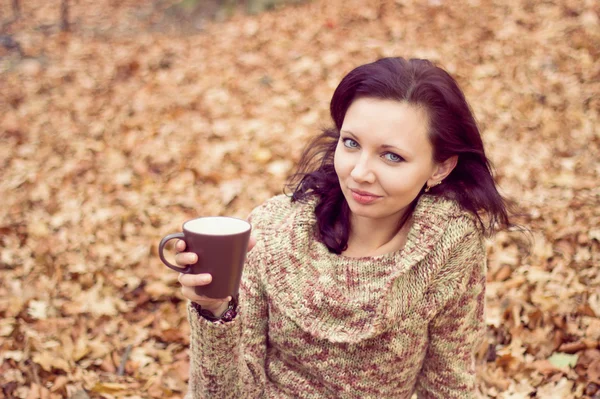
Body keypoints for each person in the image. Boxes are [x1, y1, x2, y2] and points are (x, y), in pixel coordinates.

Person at [173, 57, 513, 398]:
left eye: (391, 156)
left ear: (440, 167)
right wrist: (216, 310)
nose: (360, 172)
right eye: (351, 143)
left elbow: (446, 387)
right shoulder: (272, 232)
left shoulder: (450, 247)